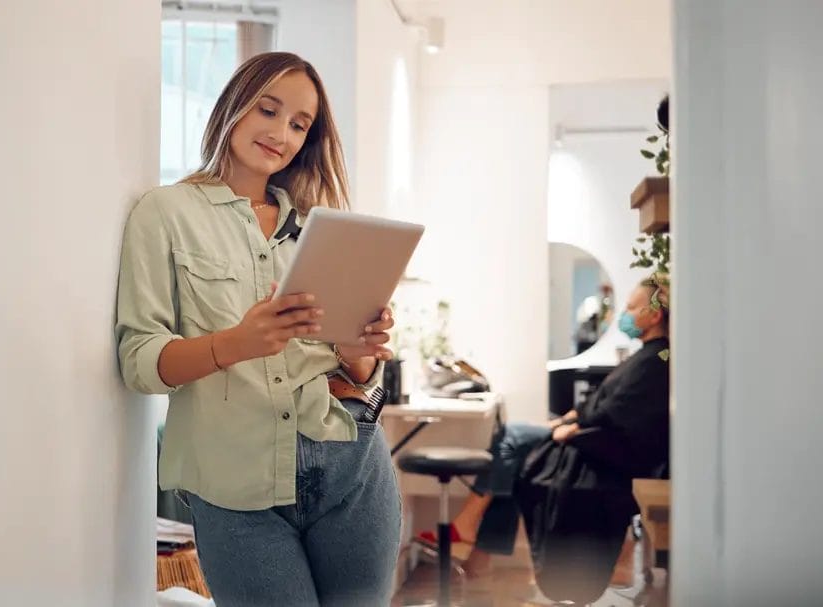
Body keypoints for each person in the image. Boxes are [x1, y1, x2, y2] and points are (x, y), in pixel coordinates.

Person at [115, 52, 401, 607]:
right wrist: (235, 345)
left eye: (300, 125)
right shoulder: (164, 213)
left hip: (351, 466)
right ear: (233, 107)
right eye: (268, 111)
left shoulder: (321, 226)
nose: (282, 134)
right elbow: (138, 359)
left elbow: (353, 370)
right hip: (233, 484)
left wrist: (358, 348)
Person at [417, 275, 670, 587]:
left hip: (595, 449)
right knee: (511, 459)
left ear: (655, 314)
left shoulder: (655, 360)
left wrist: (573, 428)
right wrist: (565, 420)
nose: (624, 314)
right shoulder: (647, 355)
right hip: (582, 433)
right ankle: (477, 554)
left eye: (632, 307)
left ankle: (470, 530)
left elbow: (614, 411)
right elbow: (601, 401)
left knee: (510, 441)